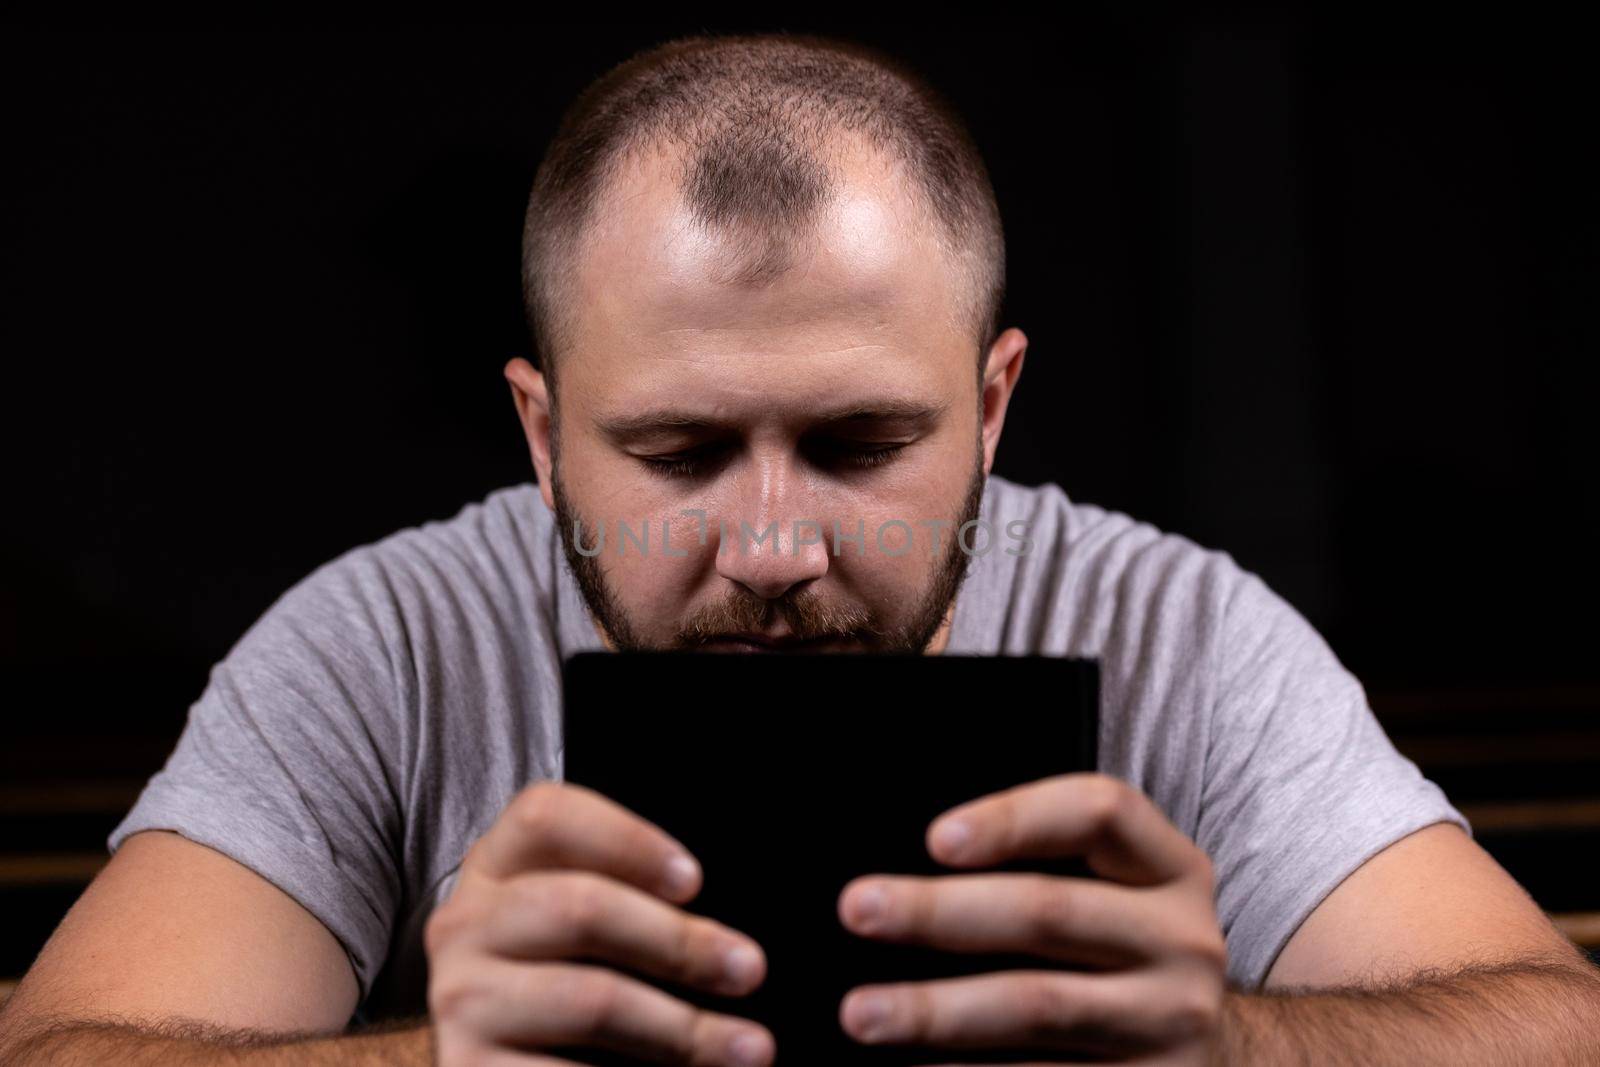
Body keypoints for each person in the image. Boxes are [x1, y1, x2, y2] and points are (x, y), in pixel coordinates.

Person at [2, 31, 1596, 1067]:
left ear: (992, 405)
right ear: (545, 436)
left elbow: (1561, 1025)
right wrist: (447, 1063)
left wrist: (1235, 1052)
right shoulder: (383, 643)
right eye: (680, 453)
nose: (771, 548)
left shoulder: (1178, 629)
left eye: (859, 447)